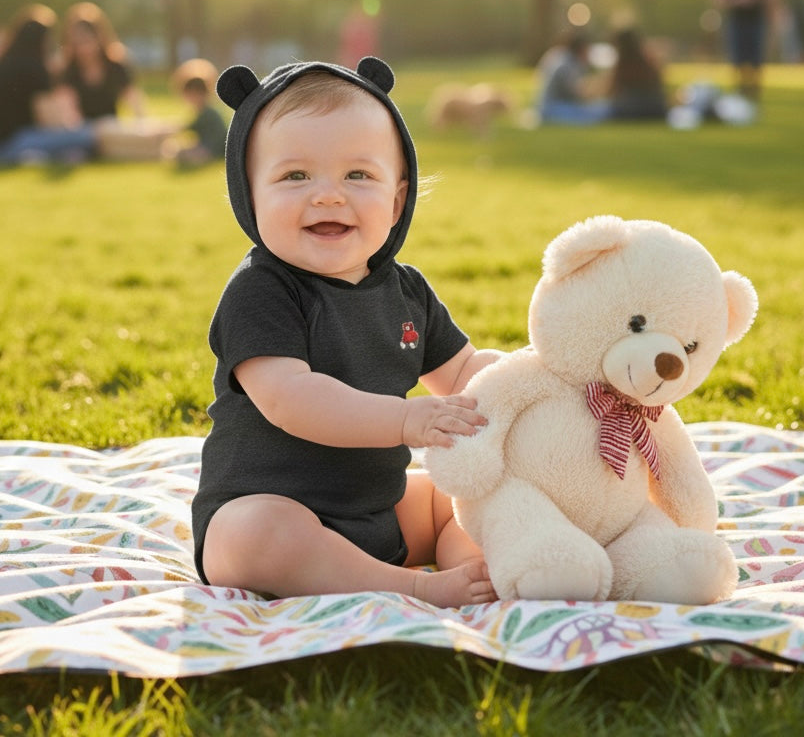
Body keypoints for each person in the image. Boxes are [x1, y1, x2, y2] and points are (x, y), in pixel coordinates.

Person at [190, 57, 500, 608]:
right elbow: (292, 399)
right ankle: (412, 587)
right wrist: (406, 420)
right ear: (249, 195)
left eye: (357, 175)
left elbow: (462, 374)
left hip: (381, 511)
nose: (328, 195)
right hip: (275, 510)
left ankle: (484, 572)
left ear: (398, 200)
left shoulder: (406, 291)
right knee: (255, 532)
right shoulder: (261, 292)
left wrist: (528, 382)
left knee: (460, 500)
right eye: (295, 176)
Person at [0, 4, 96, 169]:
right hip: (8, 145)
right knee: (86, 135)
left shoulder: (0, 64)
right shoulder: (34, 68)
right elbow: (50, 122)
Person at [57, 2, 146, 120]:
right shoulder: (67, 70)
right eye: (78, 42)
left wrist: (142, 125)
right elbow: (67, 113)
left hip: (110, 128)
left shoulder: (115, 65)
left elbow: (134, 100)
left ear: (100, 38)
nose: (83, 48)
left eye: (87, 40)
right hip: (81, 131)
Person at [164, 58, 228, 168]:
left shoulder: (207, 112)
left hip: (212, 150)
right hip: (211, 147)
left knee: (177, 152)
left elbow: (187, 127)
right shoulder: (207, 110)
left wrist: (168, 130)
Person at [536, 30, 611, 125]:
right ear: (582, 49)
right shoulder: (565, 65)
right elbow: (578, 95)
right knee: (601, 110)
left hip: (552, 107)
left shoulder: (562, 57)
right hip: (553, 109)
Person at [607, 27, 668, 121]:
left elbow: (612, 89)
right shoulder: (648, 61)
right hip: (656, 107)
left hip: (631, 109)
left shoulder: (623, 64)